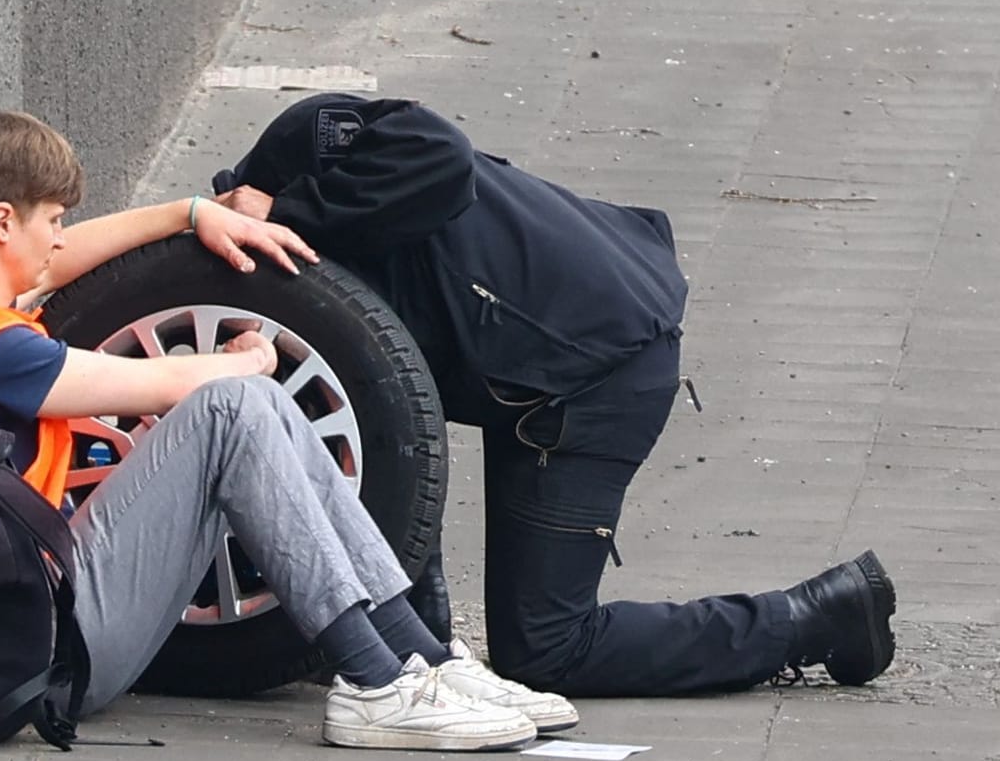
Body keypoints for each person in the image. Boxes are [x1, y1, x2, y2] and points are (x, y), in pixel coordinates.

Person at [0, 110, 580, 751]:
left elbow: (60, 260)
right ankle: (372, 681)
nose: (60, 238)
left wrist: (190, 212)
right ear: (0, 223)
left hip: (7, 616)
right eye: (51, 219)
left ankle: (420, 657)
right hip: (28, 652)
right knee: (233, 406)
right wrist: (252, 358)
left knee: (242, 404)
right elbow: (166, 385)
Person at [209, 94, 898, 697]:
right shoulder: (301, 297)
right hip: (549, 342)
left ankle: (813, 618)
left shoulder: (302, 146)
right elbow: (394, 429)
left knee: (546, 648)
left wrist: (290, 211)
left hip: (600, 369)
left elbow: (439, 152)